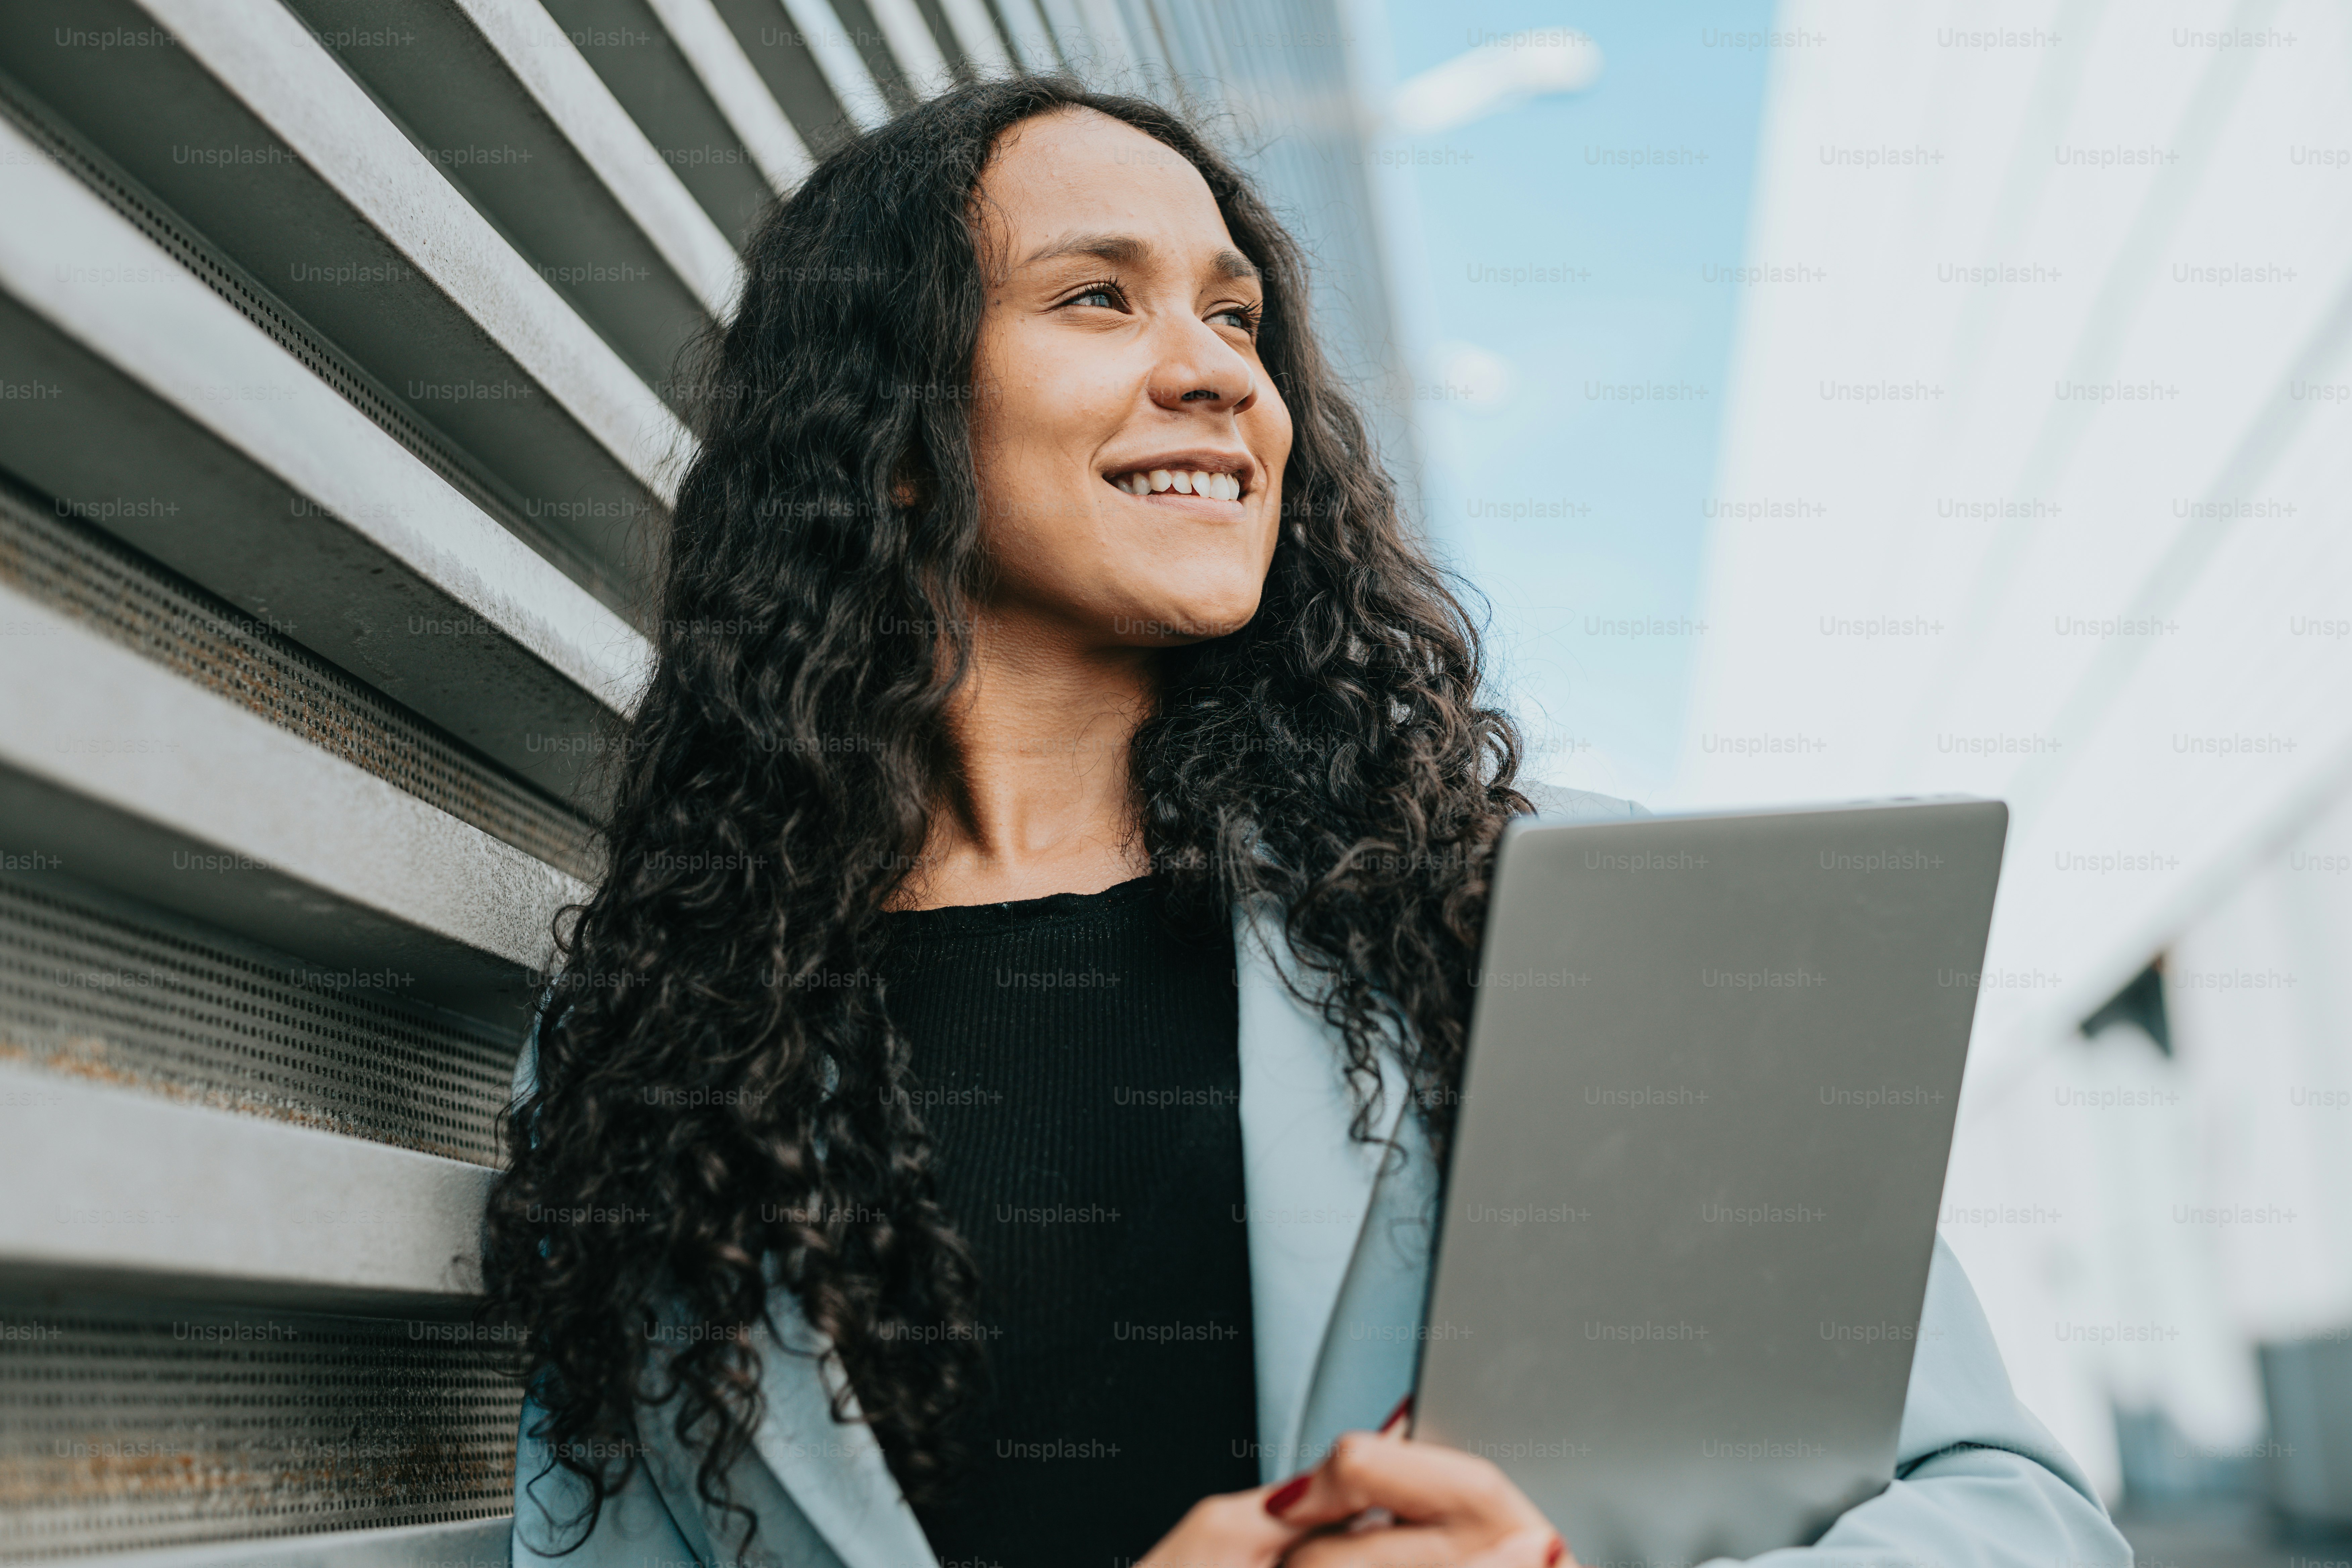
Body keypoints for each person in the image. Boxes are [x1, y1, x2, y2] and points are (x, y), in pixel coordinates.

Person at [482, 76, 2130, 1568]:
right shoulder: (662, 1045)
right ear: (892, 438)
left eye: (1237, 316)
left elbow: (2015, 1519)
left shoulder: (1553, 920)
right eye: (1096, 298)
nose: (1216, 372)